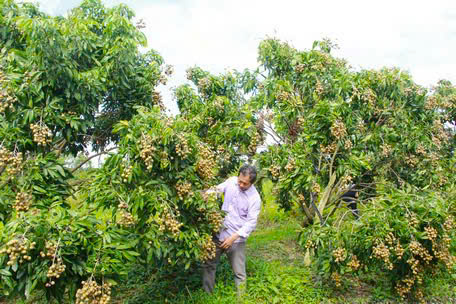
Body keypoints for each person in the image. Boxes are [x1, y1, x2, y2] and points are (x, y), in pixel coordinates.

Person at [202, 164, 262, 297]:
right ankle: (207, 295)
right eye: (239, 181)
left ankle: (241, 299)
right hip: (219, 232)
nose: (240, 185)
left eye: (245, 184)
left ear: (252, 183)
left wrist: (233, 238)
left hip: (236, 239)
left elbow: (251, 223)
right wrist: (205, 195)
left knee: (239, 273)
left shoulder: (254, 198)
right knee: (209, 265)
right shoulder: (231, 182)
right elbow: (217, 190)